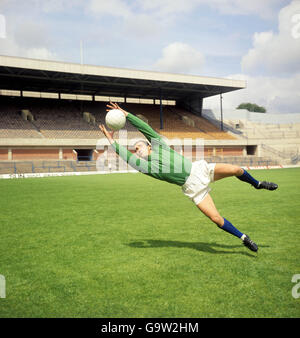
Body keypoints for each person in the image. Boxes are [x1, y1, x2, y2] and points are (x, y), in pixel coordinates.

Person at [99, 102, 278, 252]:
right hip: (193, 188)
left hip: (200, 170)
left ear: (149, 145)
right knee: (216, 219)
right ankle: (244, 237)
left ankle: (257, 183)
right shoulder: (147, 167)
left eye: (138, 148)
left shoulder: (159, 144)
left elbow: (145, 128)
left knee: (237, 169)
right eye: (135, 151)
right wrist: (111, 141)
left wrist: (126, 115)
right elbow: (127, 158)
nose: (136, 152)